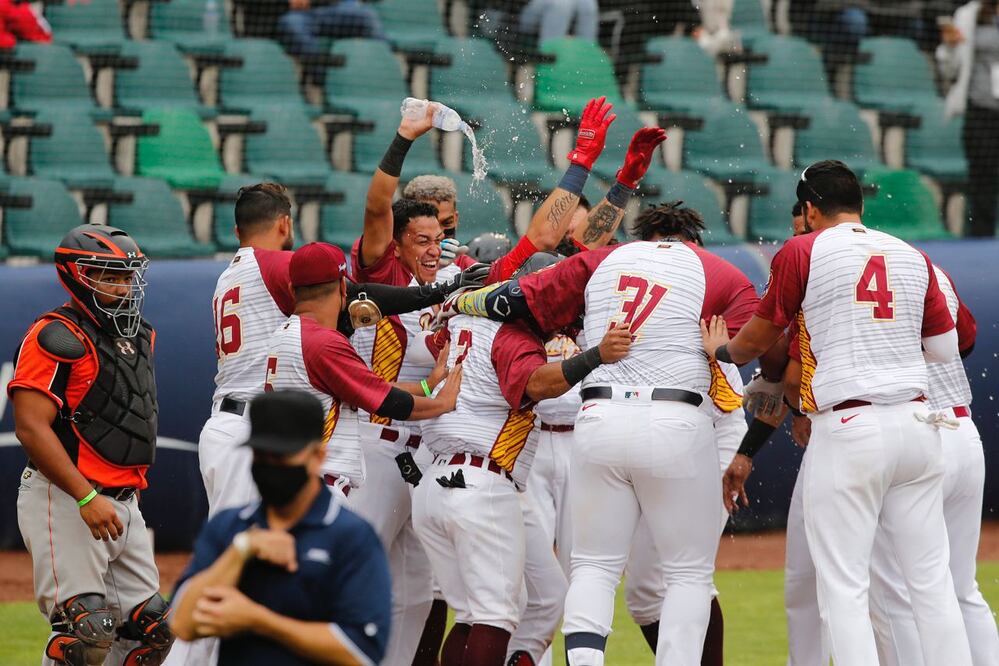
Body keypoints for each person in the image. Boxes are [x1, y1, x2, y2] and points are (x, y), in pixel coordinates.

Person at [348, 95, 661, 664]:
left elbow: (554, 246)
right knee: (363, 584)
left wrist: (605, 176)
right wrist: (405, 137)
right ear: (399, 239)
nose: (439, 244)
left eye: (445, 230)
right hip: (382, 441)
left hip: (430, 453)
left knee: (432, 598)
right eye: (425, 234)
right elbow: (377, 211)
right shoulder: (391, 273)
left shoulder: (467, 288)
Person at [445, 208, 759, 666]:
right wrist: (724, 351)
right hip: (673, 422)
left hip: (598, 420)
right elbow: (763, 337)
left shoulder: (608, 262)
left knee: (592, 568)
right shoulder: (711, 272)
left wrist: (461, 302)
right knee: (687, 575)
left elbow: (516, 297)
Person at [700, 160, 971, 666]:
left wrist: (722, 351)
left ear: (809, 208)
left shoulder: (804, 248)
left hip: (850, 427)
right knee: (932, 585)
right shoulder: (910, 252)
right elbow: (943, 348)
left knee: (843, 587)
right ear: (859, 204)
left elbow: (758, 339)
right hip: (918, 425)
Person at [200, 182, 487, 516]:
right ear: (285, 223)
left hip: (236, 420)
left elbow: (362, 384)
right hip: (253, 424)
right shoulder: (277, 270)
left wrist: (424, 386)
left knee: (245, 537)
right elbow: (360, 296)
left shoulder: (230, 277)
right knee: (249, 541)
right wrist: (440, 292)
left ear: (237, 230)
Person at [413, 253, 634, 666]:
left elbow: (427, 340)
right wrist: (595, 356)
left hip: (437, 486)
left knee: (525, 600)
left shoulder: (464, 319)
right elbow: (536, 383)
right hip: (479, 484)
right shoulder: (510, 330)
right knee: (495, 616)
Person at [10, 225, 173, 665]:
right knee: (86, 633)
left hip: (123, 502)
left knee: (153, 631)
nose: (123, 287)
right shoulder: (55, 335)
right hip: (66, 497)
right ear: (78, 276)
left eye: (127, 277)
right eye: (110, 277)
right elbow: (30, 427)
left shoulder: (141, 335)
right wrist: (85, 496)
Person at [169, 390, 392, 666]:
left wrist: (258, 620)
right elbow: (182, 623)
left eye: (281, 457)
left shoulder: (351, 536)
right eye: (261, 456)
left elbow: (362, 651)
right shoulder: (231, 526)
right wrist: (241, 550)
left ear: (317, 457)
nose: (269, 467)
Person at [619, 202, 749, 666]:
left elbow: (730, 402)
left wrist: (735, 459)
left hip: (713, 440)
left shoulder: (704, 305)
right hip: (661, 447)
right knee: (642, 594)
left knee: (686, 576)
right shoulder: (632, 303)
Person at [264, 241, 464, 495]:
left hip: (291, 479)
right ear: (342, 287)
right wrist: (442, 403)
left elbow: (368, 387)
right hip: (317, 483)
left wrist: (427, 386)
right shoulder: (322, 342)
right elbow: (389, 402)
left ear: (292, 288)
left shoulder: (283, 334)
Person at [937, 0, 999, 237]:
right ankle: (982, 237)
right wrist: (950, 46)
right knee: (982, 175)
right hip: (980, 111)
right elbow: (949, 70)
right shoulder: (967, 15)